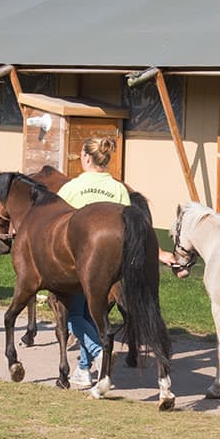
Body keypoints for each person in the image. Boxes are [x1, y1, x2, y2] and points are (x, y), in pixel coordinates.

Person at [58, 136, 129, 388]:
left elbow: (54, 226)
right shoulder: (119, 189)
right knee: (93, 314)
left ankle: (99, 351)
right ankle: (84, 369)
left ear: (86, 158)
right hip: (110, 268)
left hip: (75, 266)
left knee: (73, 316)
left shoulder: (71, 188)